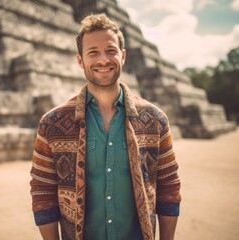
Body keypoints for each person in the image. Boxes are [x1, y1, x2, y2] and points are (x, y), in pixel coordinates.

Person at [30, 13, 181, 240]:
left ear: (123, 56)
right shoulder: (51, 123)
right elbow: (43, 192)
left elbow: (169, 187)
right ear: (80, 60)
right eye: (93, 52)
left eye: (111, 51)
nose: (103, 60)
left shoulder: (156, 120)